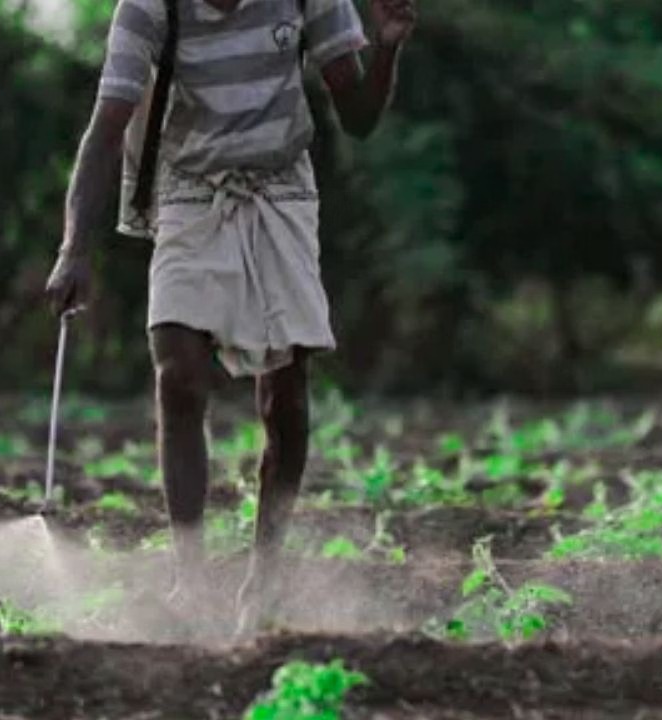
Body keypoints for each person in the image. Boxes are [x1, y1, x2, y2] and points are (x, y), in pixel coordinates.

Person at [44, 0, 416, 630]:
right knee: (179, 376)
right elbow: (106, 128)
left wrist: (385, 46)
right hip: (189, 190)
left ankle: (261, 581)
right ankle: (191, 578)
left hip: (280, 189)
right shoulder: (147, 7)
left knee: (286, 398)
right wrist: (73, 250)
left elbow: (356, 117)